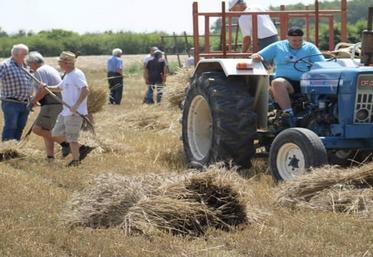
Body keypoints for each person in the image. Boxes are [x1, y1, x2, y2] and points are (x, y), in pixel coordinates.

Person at [251, 26, 325, 126]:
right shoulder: (278, 46)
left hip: (306, 82)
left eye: (300, 40)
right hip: (287, 82)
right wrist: (257, 56)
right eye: (294, 40)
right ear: (287, 38)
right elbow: (259, 55)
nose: (297, 43)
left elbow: (322, 63)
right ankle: (288, 115)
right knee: (277, 82)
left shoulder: (310, 47)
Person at [44, 51, 94, 167]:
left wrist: (76, 105)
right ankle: (82, 148)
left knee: (72, 138)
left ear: (67, 63)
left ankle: (76, 161)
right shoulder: (67, 74)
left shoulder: (77, 74)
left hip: (74, 113)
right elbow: (59, 88)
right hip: (65, 112)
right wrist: (47, 87)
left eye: (60, 62)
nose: (59, 64)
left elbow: (85, 90)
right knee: (55, 133)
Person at [25, 51, 71, 161]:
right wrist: (37, 100)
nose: (29, 67)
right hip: (55, 103)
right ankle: (50, 157)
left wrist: (33, 101)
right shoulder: (48, 68)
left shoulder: (40, 71)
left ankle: (66, 144)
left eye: (29, 64)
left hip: (52, 104)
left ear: (34, 63)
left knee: (37, 129)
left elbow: (44, 89)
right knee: (47, 129)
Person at [0, 44, 33, 141]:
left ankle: (15, 150)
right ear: (16, 54)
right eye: (25, 54)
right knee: (11, 127)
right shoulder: (5, 65)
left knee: (20, 128)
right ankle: (6, 151)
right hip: (11, 102)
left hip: (25, 103)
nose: (26, 57)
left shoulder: (25, 67)